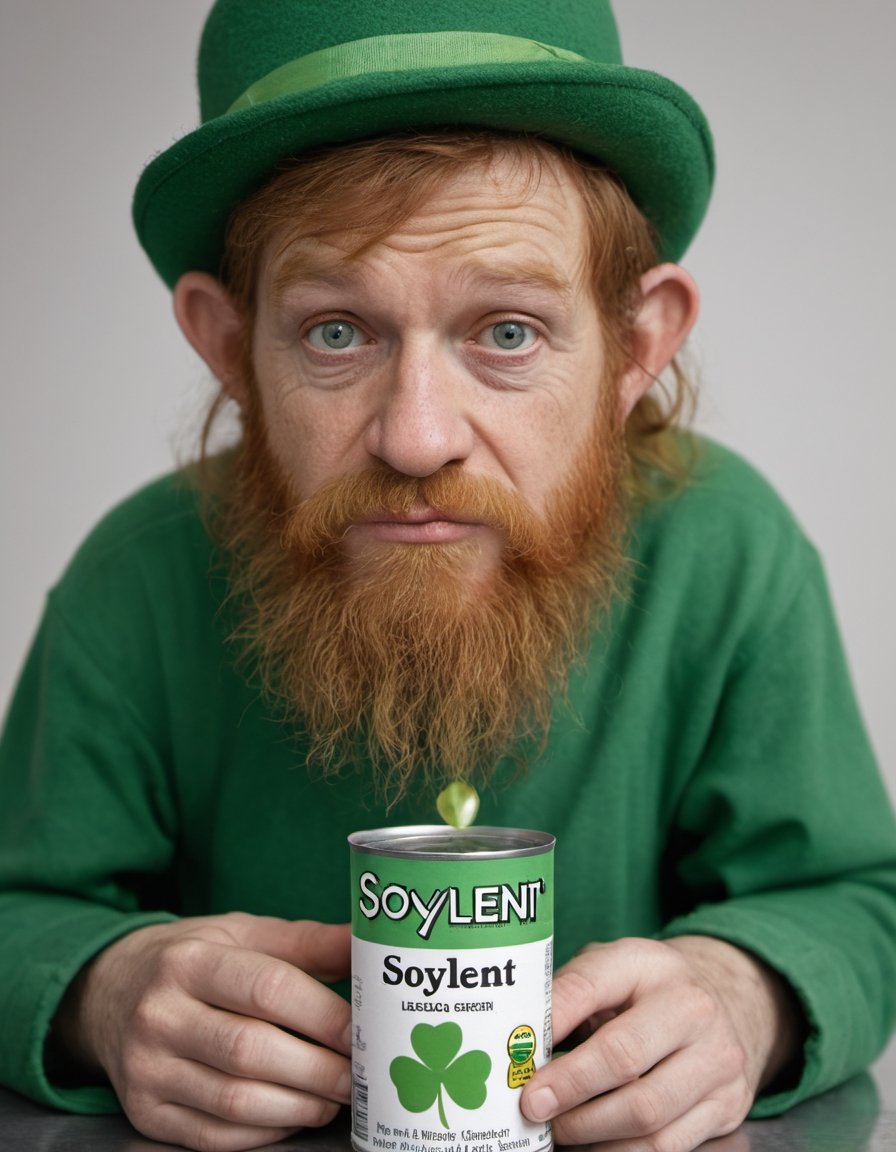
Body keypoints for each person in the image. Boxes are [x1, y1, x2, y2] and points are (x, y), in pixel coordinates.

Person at [1, 2, 894, 1150]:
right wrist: (101, 992)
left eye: (507, 332)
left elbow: (856, 898)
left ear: (635, 345)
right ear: (230, 346)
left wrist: (744, 993)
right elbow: (18, 907)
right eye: (336, 333)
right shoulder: (135, 578)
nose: (416, 439)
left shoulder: (726, 548)